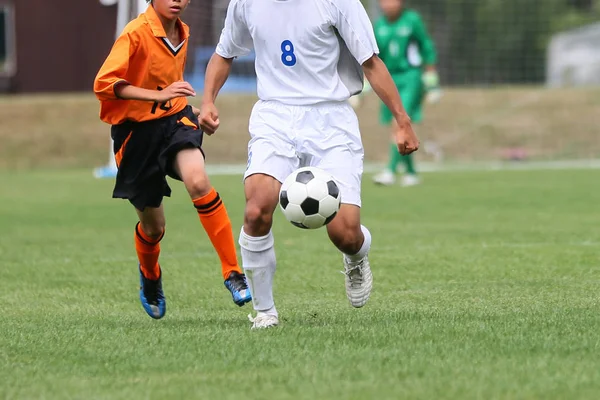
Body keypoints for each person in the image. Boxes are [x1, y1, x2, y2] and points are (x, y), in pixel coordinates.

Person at [199, 0, 419, 329]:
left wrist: (402, 120)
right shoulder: (245, 3)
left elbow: (371, 63)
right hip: (275, 115)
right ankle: (265, 311)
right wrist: (207, 101)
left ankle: (357, 255)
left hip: (331, 119)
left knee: (343, 233)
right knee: (257, 207)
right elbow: (224, 53)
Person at [93, 0, 251, 319]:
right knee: (153, 229)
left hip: (174, 122)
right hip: (135, 136)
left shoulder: (182, 31)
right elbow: (105, 83)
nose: (177, 0)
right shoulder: (135, 33)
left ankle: (233, 273)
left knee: (198, 180)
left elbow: (172, 93)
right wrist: (159, 95)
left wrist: (199, 111)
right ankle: (150, 276)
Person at [372, 0, 439, 187]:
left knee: (399, 121)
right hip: (390, 78)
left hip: (411, 77)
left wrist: (431, 76)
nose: (387, 4)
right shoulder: (379, 26)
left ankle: (390, 171)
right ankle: (410, 172)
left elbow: (426, 45)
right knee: (397, 125)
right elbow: (375, 58)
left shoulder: (412, 20)